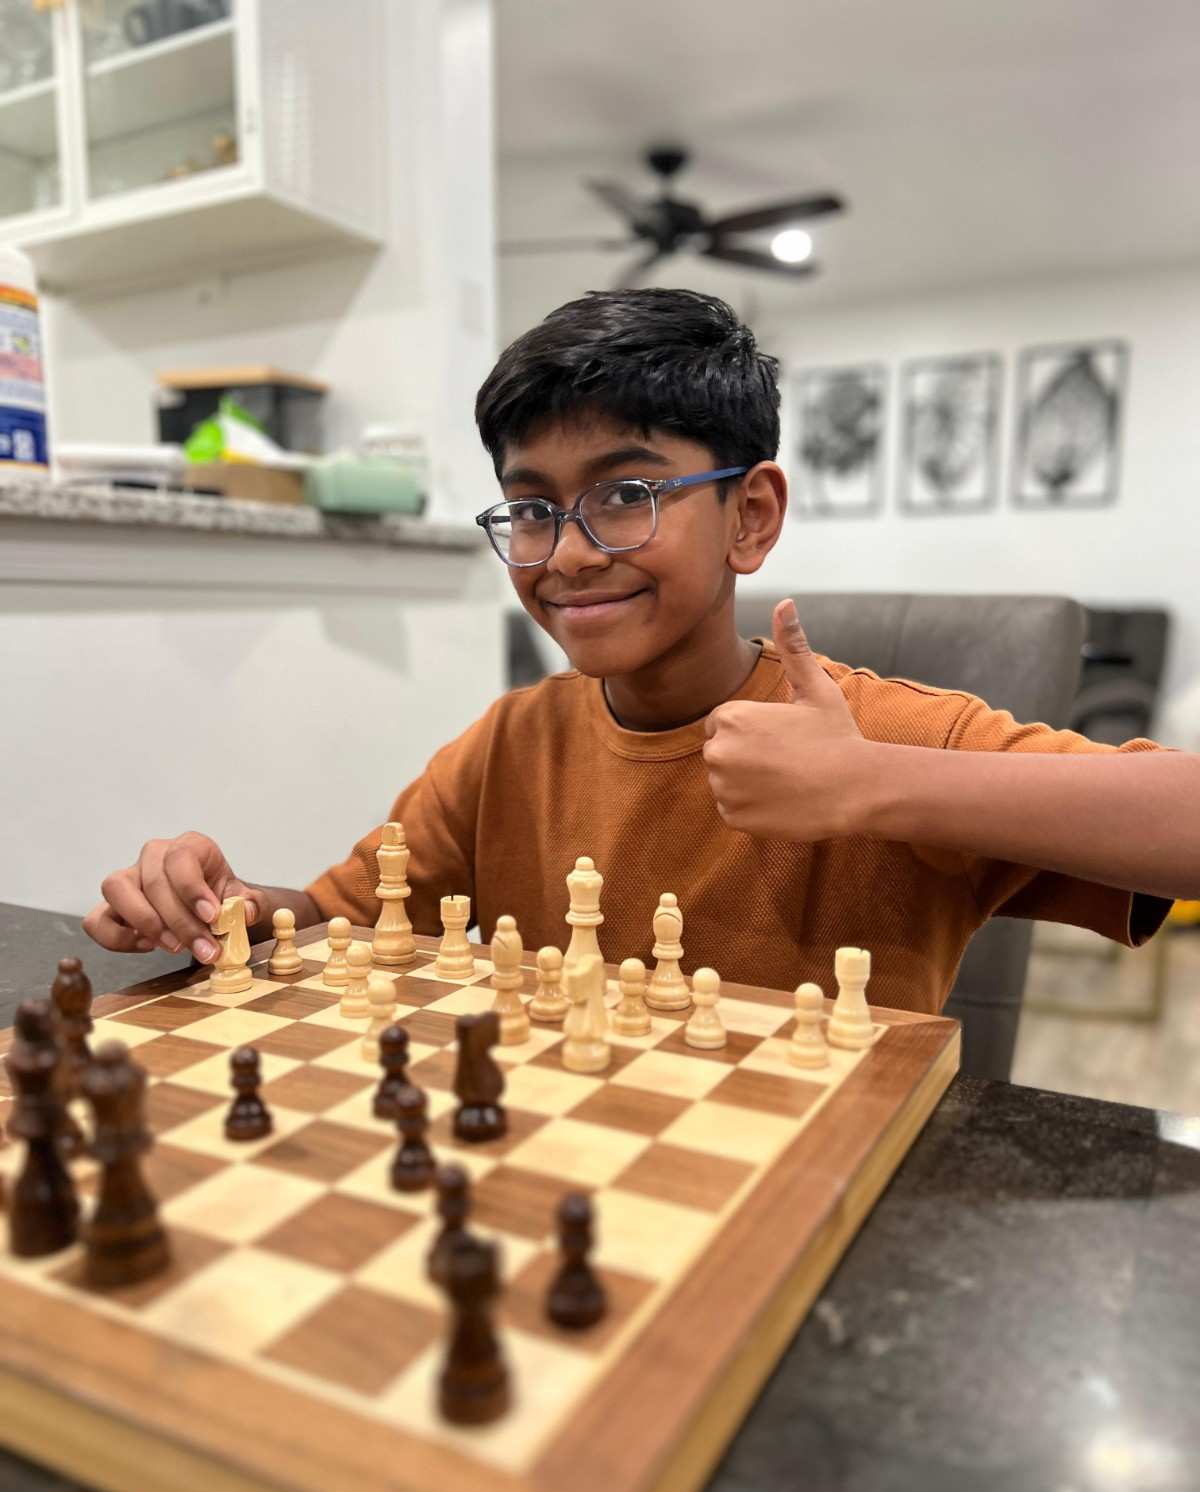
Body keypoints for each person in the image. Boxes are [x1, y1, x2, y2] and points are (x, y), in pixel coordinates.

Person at [84, 290, 1200, 1013]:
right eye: (532, 509)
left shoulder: (883, 736)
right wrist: (229, 902)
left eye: (626, 494)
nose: (568, 554)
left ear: (751, 516)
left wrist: (872, 785)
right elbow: (347, 922)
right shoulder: (511, 745)